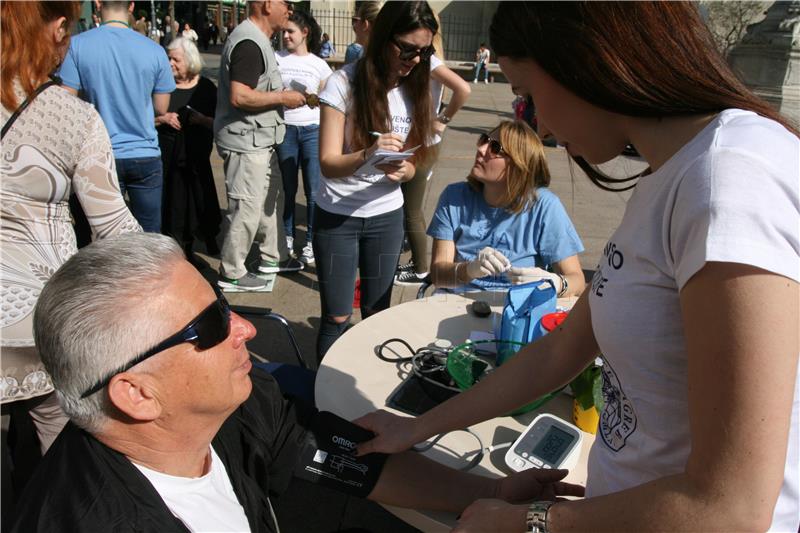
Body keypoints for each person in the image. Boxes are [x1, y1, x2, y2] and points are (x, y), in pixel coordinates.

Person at [354, 2, 800, 532]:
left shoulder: (729, 180)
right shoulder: (672, 176)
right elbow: (563, 349)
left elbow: (730, 508)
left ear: (583, 62)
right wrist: (418, 428)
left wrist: (529, 523)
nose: (534, 122)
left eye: (527, 96)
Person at [12, 232, 583, 532]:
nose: (245, 330)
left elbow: (338, 454)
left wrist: (491, 493)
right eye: (210, 325)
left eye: (225, 304)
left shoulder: (229, 407)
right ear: (136, 392)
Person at [0, 0, 140, 464]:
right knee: (62, 468)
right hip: (40, 331)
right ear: (59, 27)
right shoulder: (70, 117)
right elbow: (116, 235)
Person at [316, 1, 438, 361]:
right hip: (338, 216)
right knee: (337, 317)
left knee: (377, 316)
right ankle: (324, 408)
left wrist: (407, 171)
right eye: (408, 49)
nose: (415, 59)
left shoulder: (417, 87)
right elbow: (327, 163)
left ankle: (366, 397)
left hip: (386, 218)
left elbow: (416, 164)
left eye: (425, 51)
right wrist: (368, 154)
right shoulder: (343, 83)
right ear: (384, 37)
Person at [426, 120, 584, 298]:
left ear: (519, 165)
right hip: (456, 302)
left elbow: (577, 282)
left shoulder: (544, 206)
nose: (481, 149)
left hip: (515, 309)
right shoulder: (454, 197)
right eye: (484, 139)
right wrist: (468, 270)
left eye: (494, 148)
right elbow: (438, 276)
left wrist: (554, 282)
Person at [58, 0, 175, 233]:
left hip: (99, 155)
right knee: (149, 236)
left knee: (103, 238)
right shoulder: (154, 50)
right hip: (145, 153)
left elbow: (66, 102)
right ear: (131, 6)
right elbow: (161, 108)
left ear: (98, 4)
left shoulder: (78, 45)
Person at [214, 0, 306, 291]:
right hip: (246, 143)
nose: (289, 10)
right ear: (267, 4)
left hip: (260, 141)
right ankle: (231, 271)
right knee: (246, 207)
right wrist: (283, 98)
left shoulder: (258, 40)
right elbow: (240, 97)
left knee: (268, 203)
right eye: (286, 4)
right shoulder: (249, 43)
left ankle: (272, 257)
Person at [395, 15, 472, 286]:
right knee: (407, 207)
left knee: (411, 210)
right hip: (416, 142)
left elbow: (463, 89)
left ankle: (419, 269)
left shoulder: (431, 62)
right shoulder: (424, 60)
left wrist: (443, 120)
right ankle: (414, 261)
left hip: (423, 144)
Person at [156, 37, 221, 263]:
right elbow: (145, 119)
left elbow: (220, 123)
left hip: (197, 158)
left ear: (190, 60)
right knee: (174, 204)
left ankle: (205, 240)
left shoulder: (206, 88)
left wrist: (201, 120)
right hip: (169, 158)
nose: (170, 62)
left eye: (175, 59)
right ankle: (179, 250)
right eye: (168, 58)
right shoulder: (162, 85)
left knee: (200, 203)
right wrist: (163, 118)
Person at [276, 10, 332, 266]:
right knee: (287, 189)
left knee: (313, 191)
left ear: (305, 33)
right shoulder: (276, 59)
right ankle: (286, 237)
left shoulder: (319, 64)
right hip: (285, 129)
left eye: (290, 32)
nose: (285, 35)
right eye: (283, 31)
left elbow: (332, 99)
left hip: (312, 130)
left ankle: (310, 242)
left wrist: (314, 99)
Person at [344, 1, 380, 65]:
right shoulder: (388, 54)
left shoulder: (354, 51)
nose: (354, 25)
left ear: (365, 25)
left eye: (356, 20)